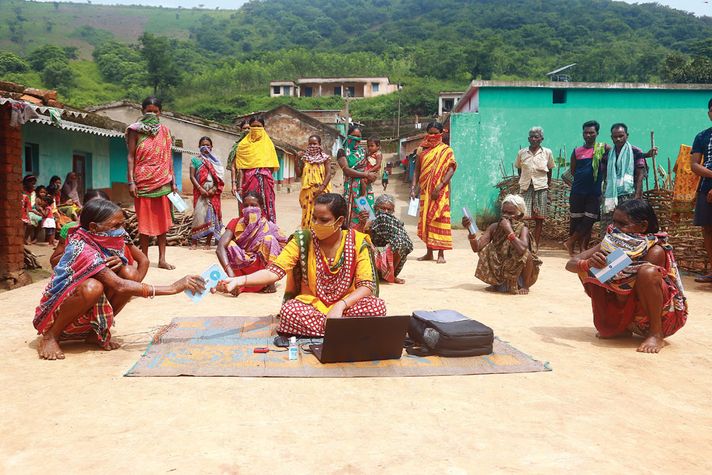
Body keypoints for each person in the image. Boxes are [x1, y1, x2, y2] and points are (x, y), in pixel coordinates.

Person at [33, 198, 205, 360]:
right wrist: (173, 288)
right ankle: (51, 336)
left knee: (128, 273)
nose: (122, 230)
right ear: (93, 227)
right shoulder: (82, 247)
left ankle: (96, 333)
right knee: (93, 287)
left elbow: (134, 269)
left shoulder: (107, 239)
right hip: (57, 310)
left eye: (122, 224)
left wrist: (121, 264)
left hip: (85, 305)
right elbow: (120, 286)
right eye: (116, 225)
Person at [214, 193, 386, 337]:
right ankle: (343, 332)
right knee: (289, 312)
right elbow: (275, 271)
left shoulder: (357, 241)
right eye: (314, 218)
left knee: (376, 307)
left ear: (339, 221)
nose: (316, 224)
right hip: (313, 306)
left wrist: (340, 306)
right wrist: (239, 280)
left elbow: (366, 286)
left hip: (347, 306)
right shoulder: (303, 239)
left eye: (323, 220)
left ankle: (331, 330)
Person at [565, 199, 687, 353]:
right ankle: (620, 327)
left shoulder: (655, 250)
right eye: (614, 223)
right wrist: (588, 263)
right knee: (586, 267)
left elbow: (628, 291)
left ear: (643, 226)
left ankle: (656, 334)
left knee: (646, 272)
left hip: (656, 318)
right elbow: (571, 265)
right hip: (628, 312)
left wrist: (604, 267)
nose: (615, 229)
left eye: (622, 224)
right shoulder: (611, 242)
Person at [50, 190, 149, 281]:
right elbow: (54, 261)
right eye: (95, 205)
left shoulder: (115, 231)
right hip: (84, 281)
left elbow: (143, 260)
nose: (100, 209)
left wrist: (135, 284)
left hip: (114, 279)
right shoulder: (71, 230)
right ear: (84, 208)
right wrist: (79, 252)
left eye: (105, 206)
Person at [126, 96, 178, 270]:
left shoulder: (166, 131)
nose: (152, 114)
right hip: (142, 181)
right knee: (144, 224)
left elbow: (169, 157)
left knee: (163, 222)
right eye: (149, 111)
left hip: (163, 180)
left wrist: (174, 182)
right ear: (142, 111)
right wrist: (131, 182)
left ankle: (162, 259)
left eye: (155, 111)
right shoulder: (134, 130)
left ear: (160, 113)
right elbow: (131, 156)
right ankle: (145, 259)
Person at [463, 194, 541, 295]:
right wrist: (470, 230)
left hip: (517, 271)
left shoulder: (523, 229)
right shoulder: (494, 227)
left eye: (510, 213)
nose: (505, 215)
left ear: (519, 216)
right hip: (500, 268)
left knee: (527, 254)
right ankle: (497, 283)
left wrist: (508, 230)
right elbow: (477, 247)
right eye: (503, 212)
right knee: (487, 249)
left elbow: (522, 249)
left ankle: (525, 285)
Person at [216, 192, 287, 293]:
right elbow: (220, 248)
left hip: (261, 272)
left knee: (270, 240)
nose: (249, 209)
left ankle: (269, 283)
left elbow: (285, 245)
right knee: (230, 244)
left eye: (253, 205)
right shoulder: (235, 223)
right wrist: (231, 275)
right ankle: (236, 283)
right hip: (239, 270)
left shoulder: (268, 226)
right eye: (246, 206)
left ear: (261, 207)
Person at [410, 121, 457, 264]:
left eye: (435, 133)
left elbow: (451, 169)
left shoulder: (447, 150)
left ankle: (441, 253)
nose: (432, 135)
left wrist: (441, 185)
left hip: (440, 191)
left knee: (440, 219)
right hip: (425, 191)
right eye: (430, 132)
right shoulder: (421, 150)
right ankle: (429, 252)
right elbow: (417, 171)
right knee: (426, 220)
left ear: (441, 133)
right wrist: (414, 188)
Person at [600, 123, 657, 231]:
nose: (618, 139)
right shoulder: (607, 154)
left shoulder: (635, 151)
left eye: (621, 136)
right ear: (611, 137)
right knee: (608, 223)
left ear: (627, 135)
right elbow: (604, 175)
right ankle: (608, 246)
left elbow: (640, 174)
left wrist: (637, 195)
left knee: (627, 223)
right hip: (610, 195)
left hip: (628, 194)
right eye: (615, 136)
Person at [564, 121, 609, 256]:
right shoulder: (577, 151)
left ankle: (574, 243)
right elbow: (573, 171)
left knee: (589, 219)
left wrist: (644, 155)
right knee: (576, 219)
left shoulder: (603, 148)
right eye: (586, 132)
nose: (588, 135)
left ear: (597, 133)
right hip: (578, 191)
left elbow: (618, 153)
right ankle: (574, 249)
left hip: (594, 192)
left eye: (591, 133)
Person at [358, 194, 413, 284]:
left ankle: (391, 275)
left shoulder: (394, 223)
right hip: (372, 256)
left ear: (393, 211)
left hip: (388, 258)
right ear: (375, 208)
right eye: (382, 209)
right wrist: (365, 226)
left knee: (401, 242)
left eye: (389, 209)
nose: (385, 212)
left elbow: (407, 244)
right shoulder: (369, 219)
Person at [233, 116, 279, 222]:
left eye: (259, 126)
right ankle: (250, 230)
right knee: (250, 206)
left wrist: (262, 174)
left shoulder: (268, 144)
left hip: (266, 180)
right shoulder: (243, 145)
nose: (256, 128)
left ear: (263, 128)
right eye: (253, 126)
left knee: (267, 204)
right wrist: (239, 187)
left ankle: (268, 227)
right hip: (249, 181)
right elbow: (240, 168)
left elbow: (271, 166)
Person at [514, 126, 555, 248]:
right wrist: (524, 181)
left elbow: (550, 171)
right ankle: (524, 243)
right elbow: (519, 170)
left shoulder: (547, 153)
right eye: (531, 136)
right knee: (522, 217)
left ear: (541, 139)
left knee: (539, 219)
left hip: (541, 188)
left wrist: (547, 187)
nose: (533, 138)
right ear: (528, 138)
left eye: (536, 136)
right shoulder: (522, 153)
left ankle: (535, 246)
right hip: (526, 188)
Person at [690, 98, 712, 283]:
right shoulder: (701, 136)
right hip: (706, 189)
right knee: (708, 229)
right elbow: (695, 166)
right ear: (709, 113)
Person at [337, 125, 378, 224]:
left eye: (359, 137)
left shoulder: (363, 151)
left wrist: (372, 176)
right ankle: (351, 235)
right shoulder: (342, 151)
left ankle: (364, 236)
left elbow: (371, 165)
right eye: (354, 136)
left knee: (366, 213)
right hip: (351, 188)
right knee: (351, 214)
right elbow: (346, 170)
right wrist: (366, 175)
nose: (357, 139)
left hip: (364, 187)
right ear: (348, 136)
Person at [190, 136, 224, 249]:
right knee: (198, 216)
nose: (205, 147)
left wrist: (213, 189)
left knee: (212, 216)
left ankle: (208, 243)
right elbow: (192, 176)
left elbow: (219, 178)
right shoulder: (195, 160)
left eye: (208, 145)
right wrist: (201, 189)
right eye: (203, 145)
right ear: (199, 147)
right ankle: (194, 242)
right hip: (200, 191)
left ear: (212, 147)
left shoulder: (216, 162)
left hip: (212, 192)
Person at [296, 134, 332, 229]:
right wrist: (297, 159)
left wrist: (321, 189)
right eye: (310, 144)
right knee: (307, 215)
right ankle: (307, 236)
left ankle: (321, 235)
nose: (312, 146)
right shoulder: (305, 159)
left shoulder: (325, 159)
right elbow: (299, 174)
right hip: (307, 193)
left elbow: (328, 174)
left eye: (315, 144)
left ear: (319, 145)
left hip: (321, 191)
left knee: (321, 214)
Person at [227, 120, 250, 196]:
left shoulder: (256, 145)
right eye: (244, 128)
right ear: (241, 130)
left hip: (253, 179)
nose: (246, 131)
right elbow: (233, 166)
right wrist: (233, 184)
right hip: (240, 180)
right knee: (242, 205)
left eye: (249, 128)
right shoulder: (237, 146)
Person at [22, 175, 37, 244]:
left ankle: (34, 238)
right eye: (32, 183)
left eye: (34, 183)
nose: (33, 185)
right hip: (27, 211)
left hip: (31, 210)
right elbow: (27, 207)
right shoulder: (23, 193)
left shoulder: (33, 193)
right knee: (29, 222)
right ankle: (25, 239)